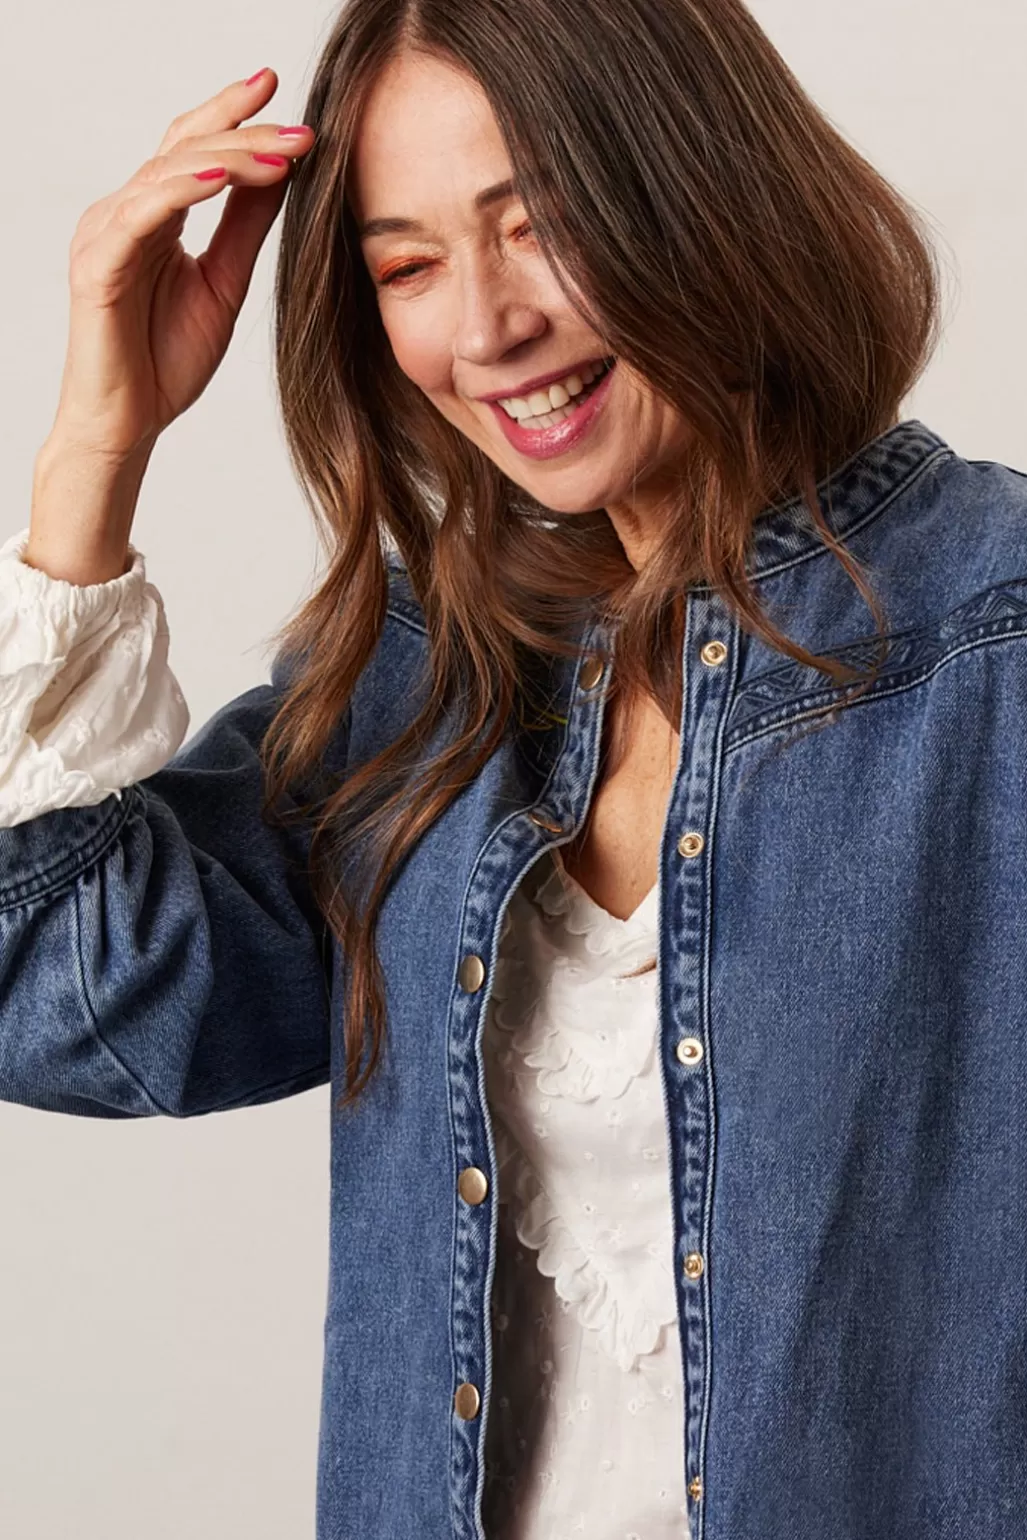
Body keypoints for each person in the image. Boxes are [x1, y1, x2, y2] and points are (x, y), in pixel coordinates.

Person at [2, 1, 1025, 1537]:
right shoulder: (434, 677)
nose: (483, 330)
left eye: (537, 225)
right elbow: (60, 995)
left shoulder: (993, 641)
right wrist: (101, 439)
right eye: (407, 266)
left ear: (706, 187)